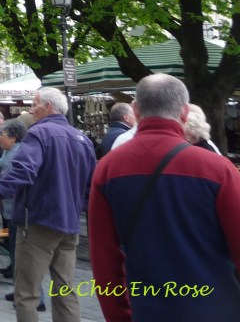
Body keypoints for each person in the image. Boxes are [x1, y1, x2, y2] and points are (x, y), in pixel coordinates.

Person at [89, 73, 240, 322]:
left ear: (135, 110)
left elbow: (104, 258)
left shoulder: (107, 169)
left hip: (147, 310)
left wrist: (119, 316)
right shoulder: (218, 169)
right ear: (184, 112)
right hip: (217, 308)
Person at [0, 88, 96, 322]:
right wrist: (77, 207)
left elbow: (23, 171)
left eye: (34, 104)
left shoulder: (39, 133)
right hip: (69, 224)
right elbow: (91, 184)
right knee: (65, 288)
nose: (31, 110)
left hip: (38, 223)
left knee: (26, 293)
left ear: (48, 106)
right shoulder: (81, 138)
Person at [0, 120, 26, 280]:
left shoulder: (16, 155)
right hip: (9, 208)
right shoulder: (8, 152)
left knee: (19, 249)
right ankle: (18, 283)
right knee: (15, 247)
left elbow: (10, 183)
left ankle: (25, 291)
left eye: (3, 135)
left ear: (13, 138)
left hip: (15, 208)